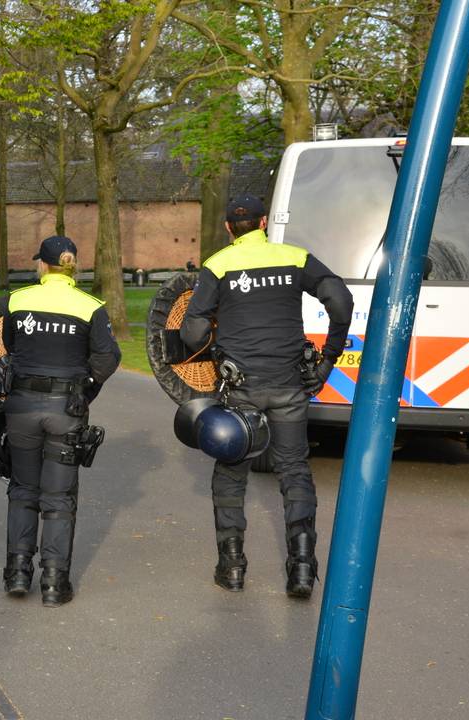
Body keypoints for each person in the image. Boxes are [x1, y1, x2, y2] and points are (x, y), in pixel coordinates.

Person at [181, 195, 352, 598]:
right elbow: (341, 301)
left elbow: (191, 333)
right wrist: (328, 359)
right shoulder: (294, 257)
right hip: (291, 383)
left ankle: (233, 566)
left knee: (230, 470)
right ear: (263, 223)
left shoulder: (218, 265)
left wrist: (215, 331)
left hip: (240, 388)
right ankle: (303, 568)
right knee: (294, 469)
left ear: (227, 229)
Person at [0, 236, 121, 607]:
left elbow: (9, 344)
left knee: (22, 490)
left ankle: (17, 574)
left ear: (44, 265)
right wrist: (84, 391)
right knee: (59, 497)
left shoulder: (18, 301)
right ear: (71, 266)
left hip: (20, 407)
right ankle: (54, 583)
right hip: (65, 410)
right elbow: (107, 358)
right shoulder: (90, 307)